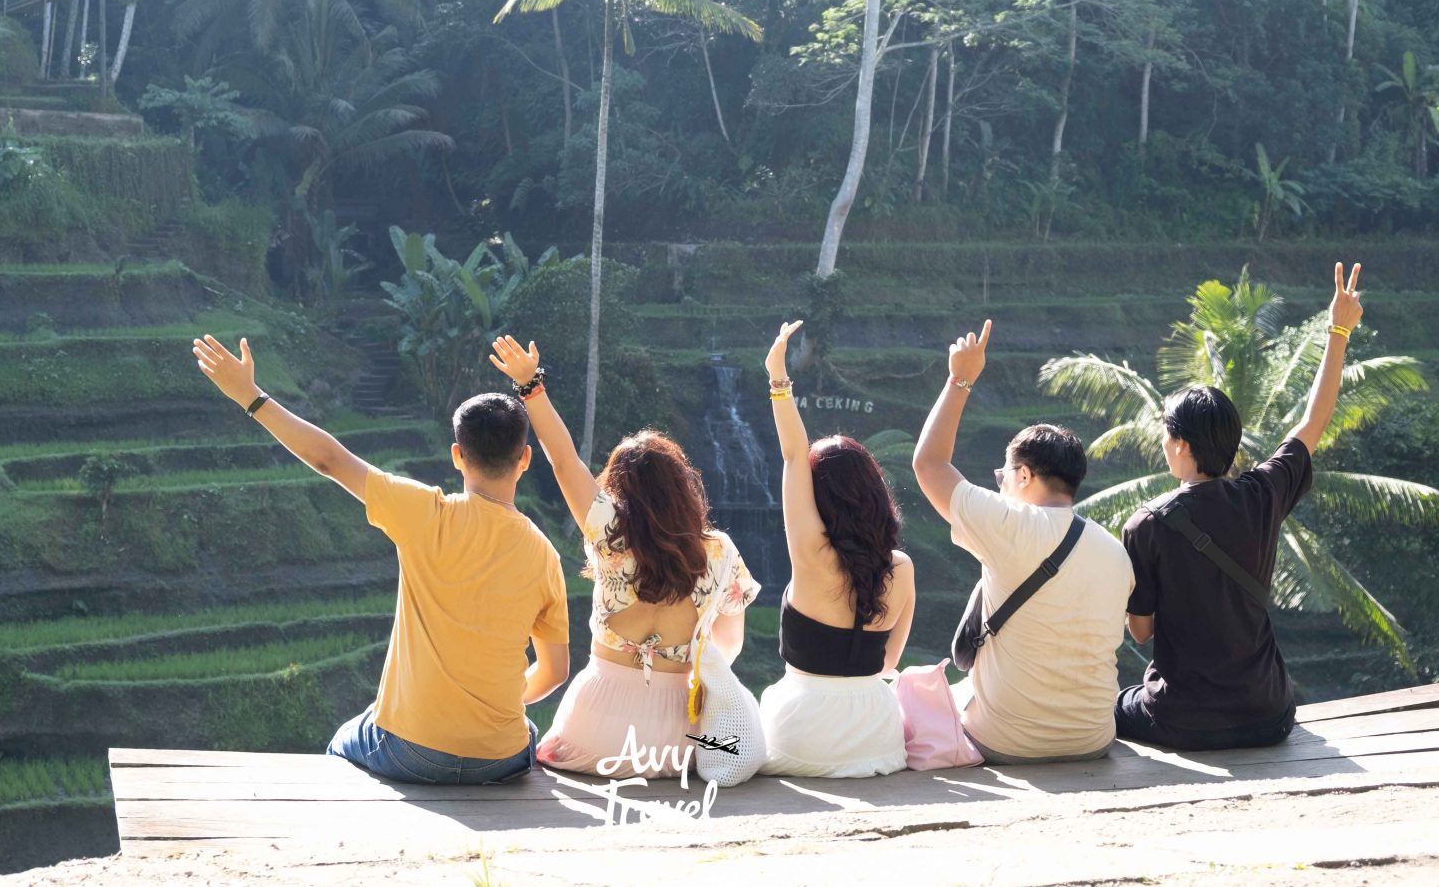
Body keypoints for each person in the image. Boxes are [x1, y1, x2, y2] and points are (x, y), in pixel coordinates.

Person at [190, 334, 570, 785]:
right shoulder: (544, 554)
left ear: (457, 456)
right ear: (525, 458)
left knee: (341, 743)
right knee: (522, 728)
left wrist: (250, 397)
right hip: (501, 758)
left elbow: (330, 459)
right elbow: (555, 670)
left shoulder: (424, 512)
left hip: (412, 753)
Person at [1115, 263, 1366, 751]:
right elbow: (1314, 421)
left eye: (1166, 433)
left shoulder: (1145, 524)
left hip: (1183, 720)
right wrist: (1338, 330)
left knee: (1115, 706)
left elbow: (1141, 632)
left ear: (1182, 444)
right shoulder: (1263, 493)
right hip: (1268, 713)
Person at [489, 334, 760, 778]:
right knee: (723, 740)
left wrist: (530, 387)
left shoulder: (608, 535)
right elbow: (729, 645)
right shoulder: (721, 551)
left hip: (594, 733)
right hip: (679, 742)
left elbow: (563, 461)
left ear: (618, 489)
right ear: (684, 490)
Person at [911, 320, 1134, 763]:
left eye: (1004, 477)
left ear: (1025, 475)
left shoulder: (1010, 523)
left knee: (912, 694)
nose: (1000, 487)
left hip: (1008, 743)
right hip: (1093, 740)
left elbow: (929, 463)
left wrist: (960, 379)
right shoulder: (1114, 552)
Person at [755, 320, 913, 777]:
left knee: (712, 737)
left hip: (799, 737)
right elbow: (888, 664)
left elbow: (792, 454)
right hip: (878, 742)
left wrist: (778, 377)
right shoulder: (902, 569)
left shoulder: (810, 554)